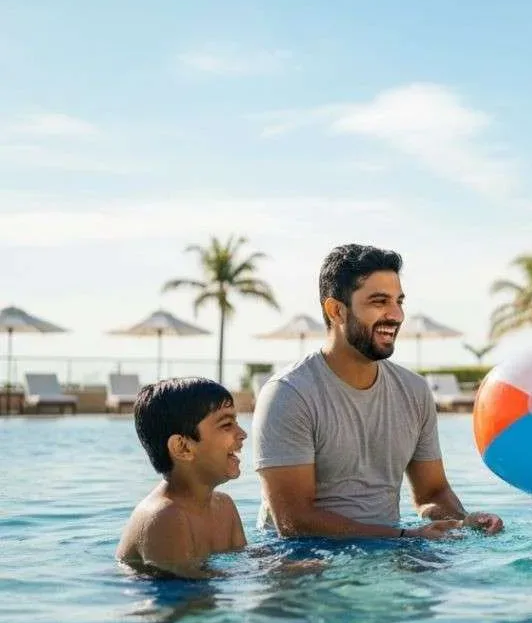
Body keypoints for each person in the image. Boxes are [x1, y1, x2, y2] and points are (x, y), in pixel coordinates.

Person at [253, 243, 503, 540]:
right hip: (306, 561)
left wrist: (464, 521)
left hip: (388, 549)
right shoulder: (289, 394)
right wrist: (402, 536)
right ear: (336, 310)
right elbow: (294, 522)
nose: (396, 315)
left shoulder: (414, 391)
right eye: (379, 302)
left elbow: (432, 493)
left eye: (399, 301)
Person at [117, 377, 248, 579]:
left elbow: (245, 563)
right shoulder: (164, 518)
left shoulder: (224, 506)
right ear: (183, 447)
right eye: (226, 424)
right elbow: (192, 598)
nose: (242, 434)